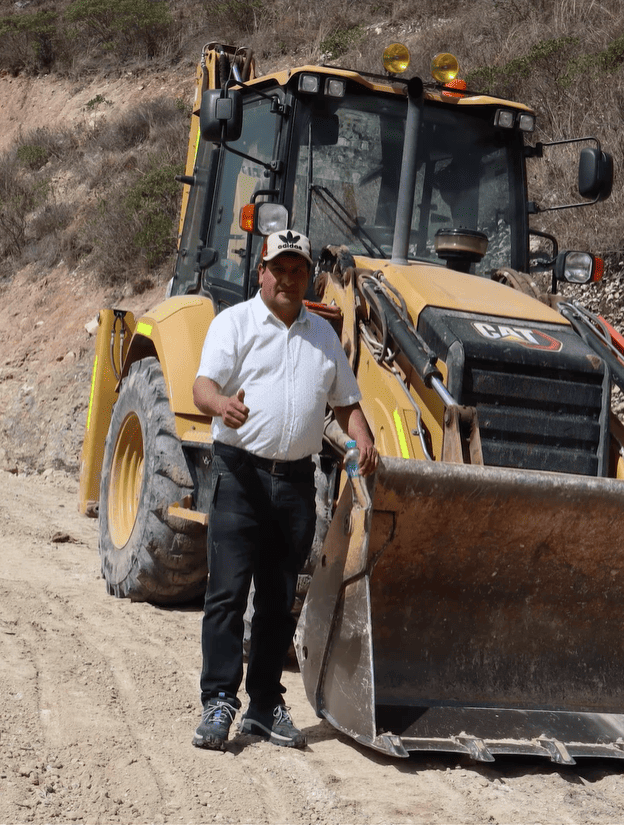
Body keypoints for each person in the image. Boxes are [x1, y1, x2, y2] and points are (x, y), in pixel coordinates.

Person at [191, 229, 378, 750]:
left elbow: (346, 402)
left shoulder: (321, 335)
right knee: (227, 595)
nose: (290, 280)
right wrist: (220, 406)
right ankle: (219, 701)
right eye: (281, 269)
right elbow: (201, 385)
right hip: (241, 475)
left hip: (296, 482)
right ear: (262, 273)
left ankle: (264, 705)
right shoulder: (235, 323)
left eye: (299, 271)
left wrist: (363, 440)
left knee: (277, 600)